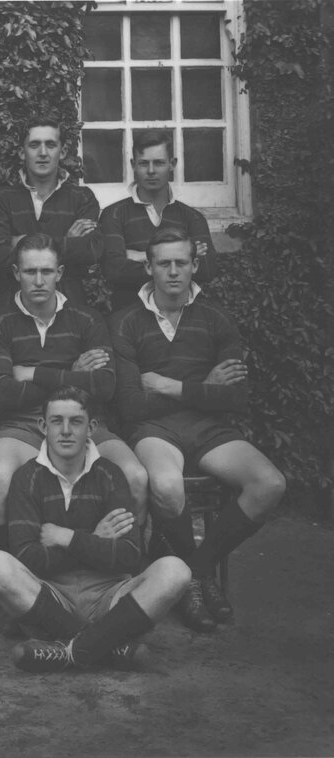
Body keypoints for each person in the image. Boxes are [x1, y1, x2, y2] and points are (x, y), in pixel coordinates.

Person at [110, 227, 285, 632]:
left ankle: (195, 572)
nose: (173, 271)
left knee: (269, 484)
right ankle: (196, 582)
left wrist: (172, 385)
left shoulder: (216, 317)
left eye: (181, 263)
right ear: (149, 268)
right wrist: (206, 386)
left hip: (208, 429)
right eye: (164, 263)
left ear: (195, 266)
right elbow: (131, 403)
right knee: (168, 486)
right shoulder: (125, 323)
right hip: (154, 429)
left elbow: (236, 397)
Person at [0, 386, 191, 672]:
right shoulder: (27, 478)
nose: (65, 430)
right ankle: (109, 647)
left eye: (76, 421)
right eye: (57, 421)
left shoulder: (110, 474)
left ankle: (70, 652)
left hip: (111, 597)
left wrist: (67, 538)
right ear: (43, 426)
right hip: (51, 598)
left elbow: (129, 555)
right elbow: (28, 557)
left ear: (91, 427)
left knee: (176, 571)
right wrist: (94, 540)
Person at [0, 233, 149, 557]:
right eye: (30, 272)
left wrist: (32, 373)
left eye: (47, 271)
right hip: (22, 426)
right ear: (16, 273)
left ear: (60, 273)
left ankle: (127, 568)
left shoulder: (87, 319)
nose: (39, 280)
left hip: (85, 424)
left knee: (136, 476)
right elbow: (1, 393)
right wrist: (73, 374)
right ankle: (11, 575)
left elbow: (104, 386)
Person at [0, 117, 101, 307]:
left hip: (71, 310)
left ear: (62, 152)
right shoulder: (1, 199)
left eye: (51, 145)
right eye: (34, 145)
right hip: (13, 311)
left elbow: (91, 251)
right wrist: (67, 240)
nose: (43, 153)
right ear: (22, 152)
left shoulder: (82, 198)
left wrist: (19, 242)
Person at [100, 130, 217, 312]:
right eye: (144, 163)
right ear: (133, 165)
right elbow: (114, 271)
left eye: (159, 163)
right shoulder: (113, 214)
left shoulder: (192, 217)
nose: (151, 171)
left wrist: (138, 256)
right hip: (129, 317)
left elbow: (207, 268)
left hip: (182, 318)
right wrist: (181, 258)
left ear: (172, 164)